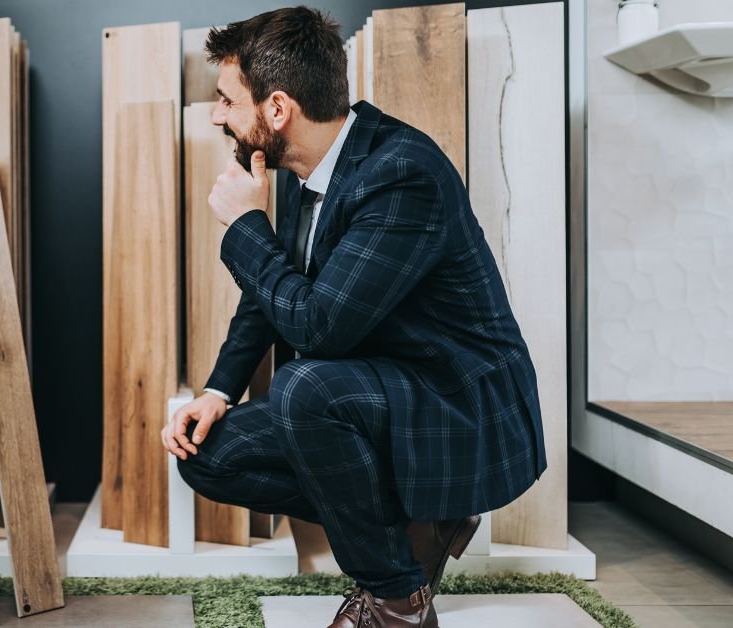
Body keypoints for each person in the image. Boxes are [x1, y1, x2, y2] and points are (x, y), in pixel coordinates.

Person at [162, 8, 546, 628]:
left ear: (277, 108)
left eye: (227, 100)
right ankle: (425, 520)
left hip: (459, 404)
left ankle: (396, 600)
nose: (216, 115)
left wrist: (243, 226)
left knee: (305, 384)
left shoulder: (400, 173)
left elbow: (317, 327)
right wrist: (217, 390)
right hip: (385, 393)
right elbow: (271, 292)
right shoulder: (303, 164)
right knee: (210, 454)